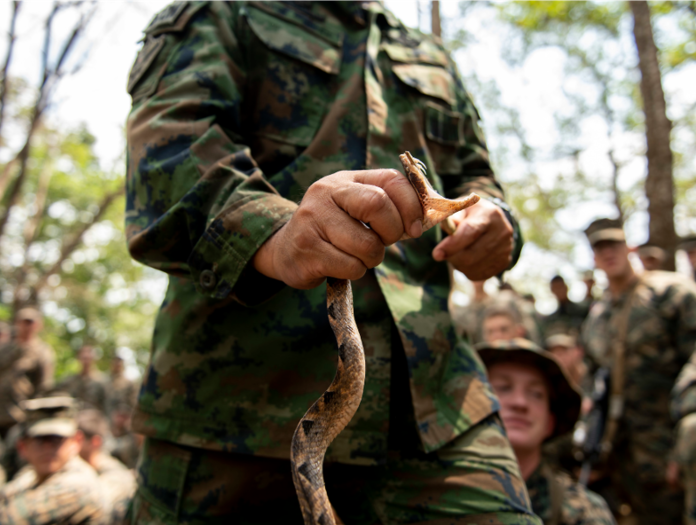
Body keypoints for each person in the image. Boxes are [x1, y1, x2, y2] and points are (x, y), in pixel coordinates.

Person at [124, 1, 538, 523]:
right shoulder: (224, 11)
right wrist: (275, 233)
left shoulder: (429, 56)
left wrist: (494, 221)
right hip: (233, 415)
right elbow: (167, 150)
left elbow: (477, 179)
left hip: (438, 407)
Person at [581, 218, 696, 524]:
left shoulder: (672, 292)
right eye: (599, 247)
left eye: (614, 244)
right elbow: (592, 378)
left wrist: (688, 431)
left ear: (628, 247)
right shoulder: (597, 317)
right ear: (593, 257)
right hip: (625, 452)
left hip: (676, 440)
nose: (608, 253)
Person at [477, 338, 615, 525]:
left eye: (536, 394)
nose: (520, 402)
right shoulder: (435, 497)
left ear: (550, 422)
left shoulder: (583, 512)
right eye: (503, 388)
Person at [0, 395, 105, 524]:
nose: (47, 447)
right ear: (22, 446)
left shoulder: (79, 483)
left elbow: (8, 519)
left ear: (76, 441)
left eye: (56, 439)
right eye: (39, 439)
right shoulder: (30, 475)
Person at [0, 308, 54, 439]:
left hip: (21, 416)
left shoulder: (42, 352)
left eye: (30, 322)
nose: (26, 326)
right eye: (22, 322)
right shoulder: (3, 349)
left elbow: (44, 386)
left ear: (38, 325)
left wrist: (35, 415)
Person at [78, 409, 136, 525]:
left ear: (95, 442)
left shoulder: (114, 475)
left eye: (79, 439)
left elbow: (98, 508)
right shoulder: (81, 469)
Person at [57, 345, 107, 412]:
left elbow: (107, 406)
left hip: (94, 418)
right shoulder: (69, 381)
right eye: (83, 357)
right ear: (78, 358)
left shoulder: (103, 382)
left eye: (88, 357)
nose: (85, 361)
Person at [104, 351, 137, 417]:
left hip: (123, 418)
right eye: (115, 361)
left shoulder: (129, 383)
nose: (117, 363)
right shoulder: (104, 381)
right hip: (105, 418)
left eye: (119, 361)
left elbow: (133, 403)